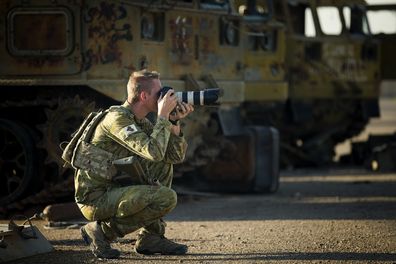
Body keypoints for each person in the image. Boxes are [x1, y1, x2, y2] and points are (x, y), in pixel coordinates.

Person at [74, 69, 194, 259]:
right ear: (144, 95)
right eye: (159, 93)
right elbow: (153, 152)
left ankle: (151, 237)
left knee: (164, 166)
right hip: (96, 197)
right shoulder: (117, 119)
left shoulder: (139, 120)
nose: (163, 97)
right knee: (166, 197)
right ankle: (100, 232)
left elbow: (173, 157)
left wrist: (173, 123)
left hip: (115, 186)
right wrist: (162, 117)